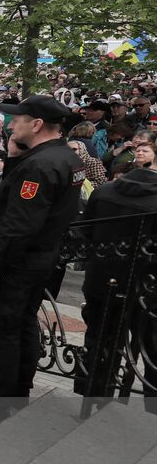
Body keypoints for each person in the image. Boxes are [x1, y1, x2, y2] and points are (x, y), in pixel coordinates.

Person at [0, 95, 83, 418]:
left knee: (1, 329)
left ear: (36, 124)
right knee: (22, 324)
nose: (11, 125)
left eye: (17, 119)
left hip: (18, 261)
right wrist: (12, 158)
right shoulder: (62, 157)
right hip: (39, 258)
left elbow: (20, 223)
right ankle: (17, 390)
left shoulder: (41, 165)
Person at [73, 160, 157, 395]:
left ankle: (92, 390)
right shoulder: (106, 192)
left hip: (102, 278)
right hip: (145, 286)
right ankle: (151, 401)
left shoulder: (104, 191)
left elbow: (84, 232)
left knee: (99, 337)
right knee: (150, 343)